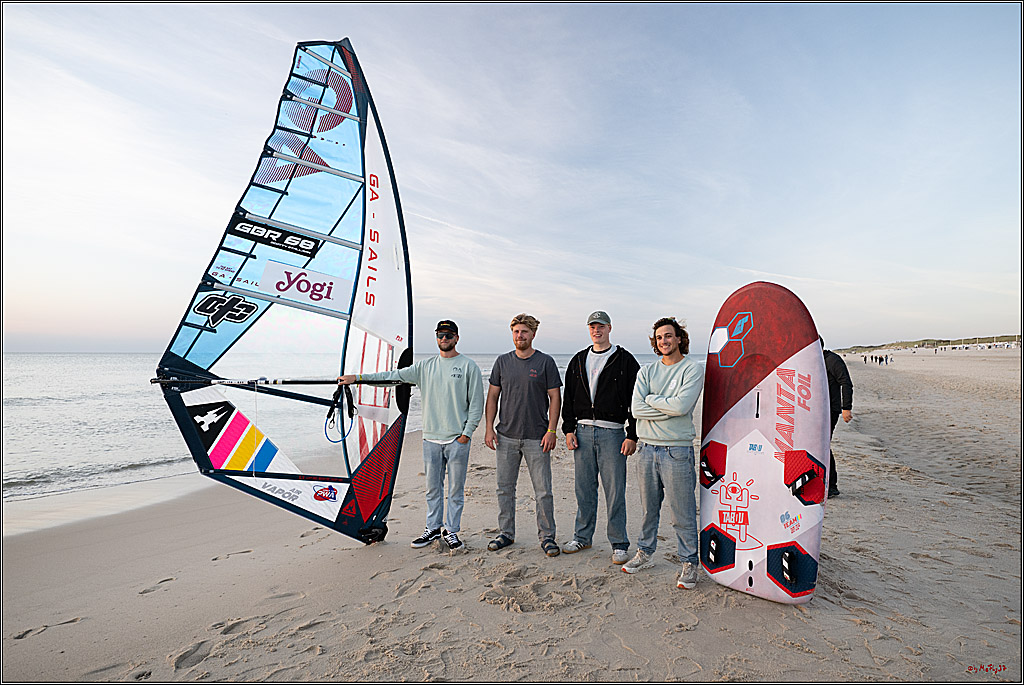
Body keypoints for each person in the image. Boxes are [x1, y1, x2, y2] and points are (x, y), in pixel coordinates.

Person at [338, 320, 483, 551]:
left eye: (448, 335)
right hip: (431, 439)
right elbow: (392, 376)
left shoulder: (468, 366)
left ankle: (452, 531)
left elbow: (476, 404)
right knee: (432, 489)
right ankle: (433, 529)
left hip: (457, 440)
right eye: (439, 335)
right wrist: (357, 378)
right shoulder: (425, 367)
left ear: (456, 338)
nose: (443, 339)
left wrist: (466, 434)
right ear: (436, 338)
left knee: (455, 489)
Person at [624, 317, 704, 589]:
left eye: (668, 336)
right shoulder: (646, 372)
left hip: (677, 450)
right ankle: (645, 553)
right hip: (646, 448)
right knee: (649, 510)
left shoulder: (692, 369)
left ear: (679, 338)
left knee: (681, 512)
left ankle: (689, 563)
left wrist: (652, 400)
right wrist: (664, 406)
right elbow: (636, 410)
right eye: (659, 338)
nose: (664, 341)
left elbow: (682, 406)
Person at [560, 310, 640, 565]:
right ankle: (582, 537)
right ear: (589, 329)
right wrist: (569, 429)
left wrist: (632, 435)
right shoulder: (578, 360)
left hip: (613, 433)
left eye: (601, 326)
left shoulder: (625, 360)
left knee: (615, 491)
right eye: (593, 326)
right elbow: (569, 399)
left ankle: (619, 543)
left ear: (609, 328)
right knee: (584, 489)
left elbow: (636, 400)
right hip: (582, 432)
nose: (597, 330)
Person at [484, 313, 563, 557]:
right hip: (506, 436)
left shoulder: (545, 362)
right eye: (517, 332)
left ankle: (547, 537)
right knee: (504, 488)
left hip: (537, 437)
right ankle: (506, 533)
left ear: (533, 334)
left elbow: (555, 398)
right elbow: (493, 397)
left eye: (524, 332)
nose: (520, 336)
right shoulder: (502, 362)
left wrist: (552, 430)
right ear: (513, 334)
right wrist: (489, 427)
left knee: (543, 491)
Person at [821, 337, 853, 499]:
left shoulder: (832, 360)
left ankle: (831, 486)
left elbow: (846, 383)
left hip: (830, 410)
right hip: (815, 411)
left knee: (823, 445)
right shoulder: (813, 361)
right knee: (816, 445)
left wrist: (846, 408)